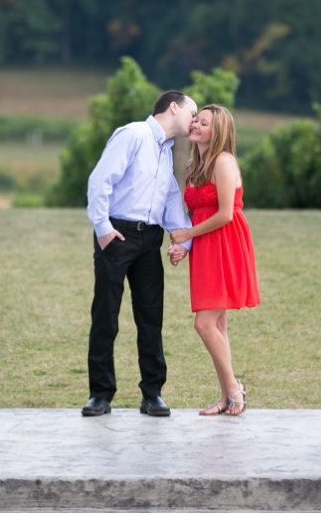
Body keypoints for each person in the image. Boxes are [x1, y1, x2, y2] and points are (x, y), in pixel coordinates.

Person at [83, 90, 195, 417]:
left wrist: (182, 239)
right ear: (173, 107)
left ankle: (153, 394)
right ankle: (100, 395)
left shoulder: (166, 151)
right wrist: (103, 229)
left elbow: (170, 196)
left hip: (150, 242)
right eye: (192, 112)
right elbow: (100, 181)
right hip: (116, 235)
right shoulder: (133, 134)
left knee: (151, 319)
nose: (195, 119)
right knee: (106, 315)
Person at [169, 104, 260, 416]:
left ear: (217, 132)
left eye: (202, 122)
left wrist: (187, 234)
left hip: (226, 243)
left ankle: (235, 389)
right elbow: (193, 212)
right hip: (205, 246)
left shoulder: (223, 161)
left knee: (204, 323)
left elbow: (223, 214)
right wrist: (185, 243)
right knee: (218, 323)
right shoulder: (194, 165)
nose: (194, 125)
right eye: (195, 119)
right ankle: (226, 396)